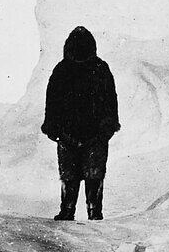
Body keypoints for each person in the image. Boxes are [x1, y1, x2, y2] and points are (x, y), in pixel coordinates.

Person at [41, 26, 120, 221]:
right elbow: (52, 101)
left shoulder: (89, 69)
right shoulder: (95, 68)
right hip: (82, 134)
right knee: (82, 174)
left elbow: (110, 101)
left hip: (84, 134)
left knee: (77, 174)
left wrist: (106, 128)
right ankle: (89, 211)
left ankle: (76, 211)